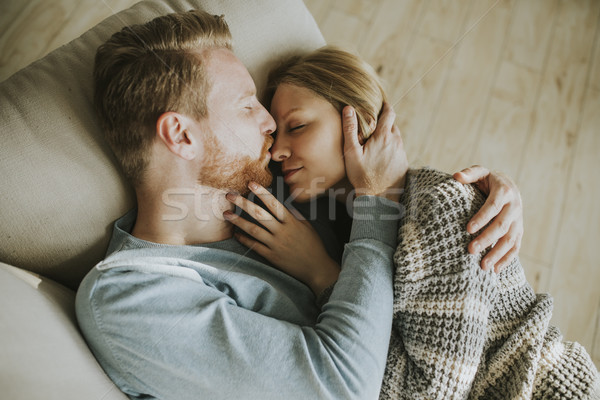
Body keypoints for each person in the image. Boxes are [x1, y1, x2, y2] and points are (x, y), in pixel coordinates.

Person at [76, 10, 534, 400]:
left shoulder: (276, 190)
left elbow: (384, 181)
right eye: (246, 106)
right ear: (181, 134)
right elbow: (343, 388)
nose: (270, 122)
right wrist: (376, 209)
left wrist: (482, 194)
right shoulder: (130, 297)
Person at [224, 46, 600, 399]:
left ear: (359, 123)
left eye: (299, 126)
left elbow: (426, 393)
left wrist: (321, 274)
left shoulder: (439, 206)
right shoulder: (336, 217)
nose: (276, 150)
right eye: (275, 134)